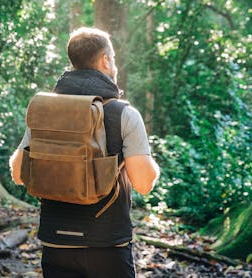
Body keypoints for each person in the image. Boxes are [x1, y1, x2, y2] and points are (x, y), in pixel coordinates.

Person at [9, 27, 159, 278]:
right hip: (107, 245)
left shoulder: (45, 110)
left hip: (56, 243)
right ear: (105, 60)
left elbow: (18, 172)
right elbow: (144, 183)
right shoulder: (124, 114)